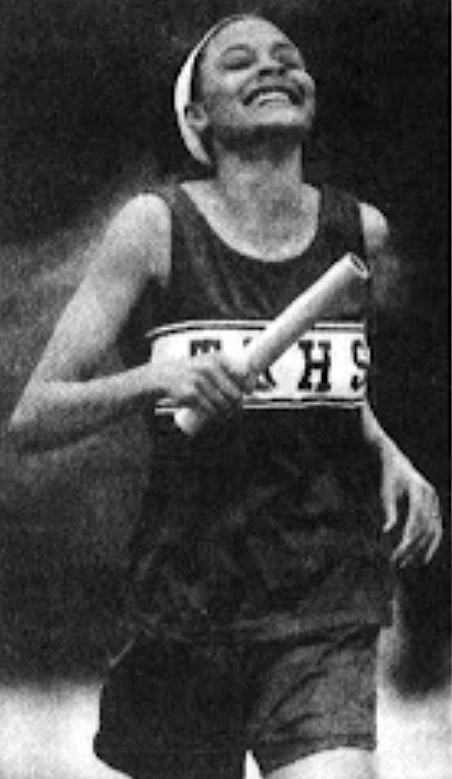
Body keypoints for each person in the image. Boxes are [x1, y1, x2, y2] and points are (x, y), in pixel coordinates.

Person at [9, 13, 442, 779]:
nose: (271, 68)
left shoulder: (357, 233)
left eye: (287, 57)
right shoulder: (153, 229)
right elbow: (35, 415)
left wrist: (388, 452)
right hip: (188, 607)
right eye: (239, 62)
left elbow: (326, 385)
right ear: (198, 117)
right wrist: (157, 377)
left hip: (322, 600)